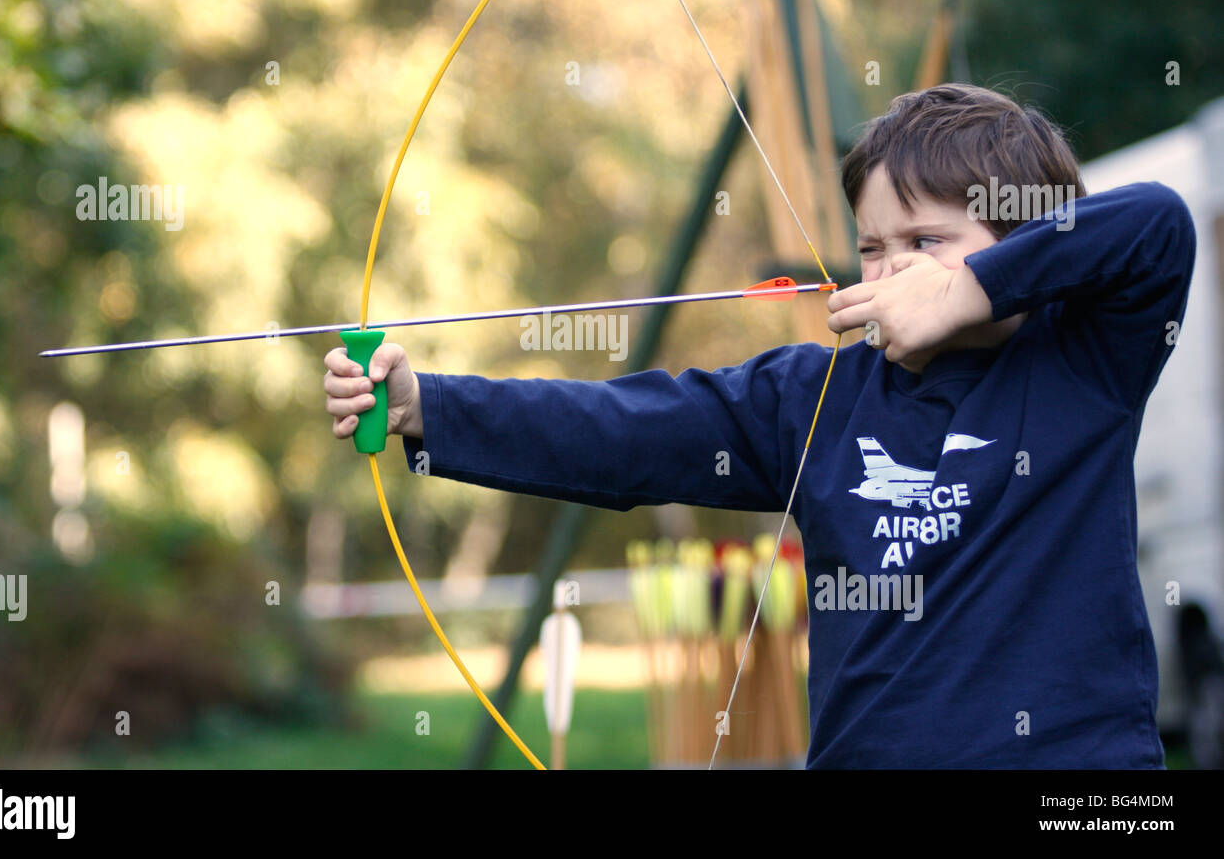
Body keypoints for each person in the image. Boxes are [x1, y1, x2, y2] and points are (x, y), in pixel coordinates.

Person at [322, 84, 1194, 767]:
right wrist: (426, 406)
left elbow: (1157, 221)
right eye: (872, 246)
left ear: (1021, 244)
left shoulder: (1084, 367)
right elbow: (627, 429)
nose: (890, 270)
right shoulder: (815, 398)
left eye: (925, 241)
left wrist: (969, 290)